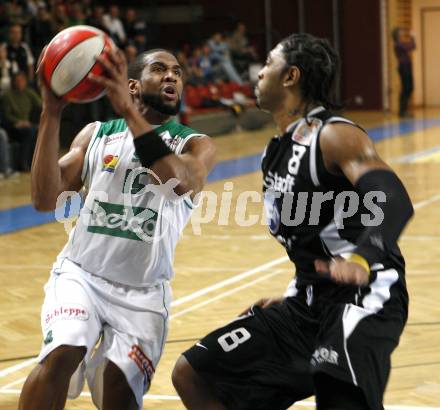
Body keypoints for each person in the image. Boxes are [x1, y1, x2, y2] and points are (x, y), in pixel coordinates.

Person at [173, 33, 414, 410]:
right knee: (195, 373)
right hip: (307, 302)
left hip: (363, 296)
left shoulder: (334, 135)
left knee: (339, 393)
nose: (259, 73)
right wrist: (293, 292)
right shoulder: (276, 152)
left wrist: (363, 256)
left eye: (268, 64)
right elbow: (310, 240)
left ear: (291, 76)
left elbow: (392, 197)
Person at [18, 47, 216, 410]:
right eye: (159, 69)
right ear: (133, 86)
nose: (172, 76)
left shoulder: (195, 143)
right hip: (82, 276)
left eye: (177, 71)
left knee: (118, 392)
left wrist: (127, 110)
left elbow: (178, 180)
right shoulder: (96, 134)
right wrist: (52, 112)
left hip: (143, 295)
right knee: (63, 349)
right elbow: (46, 198)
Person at [1, 71, 41, 171]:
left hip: (27, 125)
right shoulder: (7, 96)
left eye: (22, 80)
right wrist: (18, 122)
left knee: (38, 130)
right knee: (29, 131)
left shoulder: (29, 93)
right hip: (13, 126)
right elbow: (6, 115)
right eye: (17, 81)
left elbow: (41, 105)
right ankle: (23, 164)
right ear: (13, 82)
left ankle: (37, 163)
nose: (20, 83)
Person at [392, 27, 416, 118]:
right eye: (400, 31)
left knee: (409, 88)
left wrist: (412, 39)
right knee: (406, 88)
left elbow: (413, 46)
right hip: (403, 67)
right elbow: (410, 46)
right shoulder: (397, 44)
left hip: (407, 67)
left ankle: (404, 110)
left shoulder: (401, 43)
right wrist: (412, 37)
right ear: (397, 34)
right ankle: (402, 111)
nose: (402, 32)